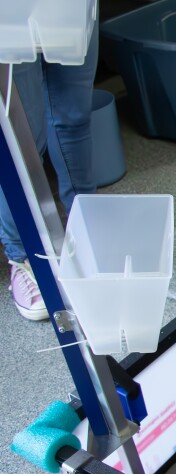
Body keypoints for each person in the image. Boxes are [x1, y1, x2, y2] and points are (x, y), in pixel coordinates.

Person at [0, 24, 99, 321]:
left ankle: (84, 229)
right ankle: (22, 257)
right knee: (21, 135)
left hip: (67, 8)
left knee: (74, 113)